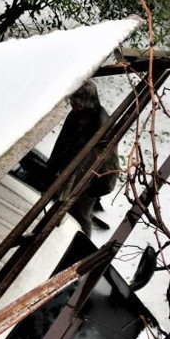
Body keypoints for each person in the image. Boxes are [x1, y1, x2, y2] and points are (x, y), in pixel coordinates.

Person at [47, 80, 119, 235]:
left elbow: (109, 161)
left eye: (77, 103)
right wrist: (52, 167)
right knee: (60, 206)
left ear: (88, 103)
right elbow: (62, 143)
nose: (73, 105)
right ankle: (55, 235)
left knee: (81, 214)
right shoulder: (75, 115)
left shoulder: (101, 126)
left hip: (89, 181)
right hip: (69, 172)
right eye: (72, 102)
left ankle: (82, 245)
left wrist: (99, 188)